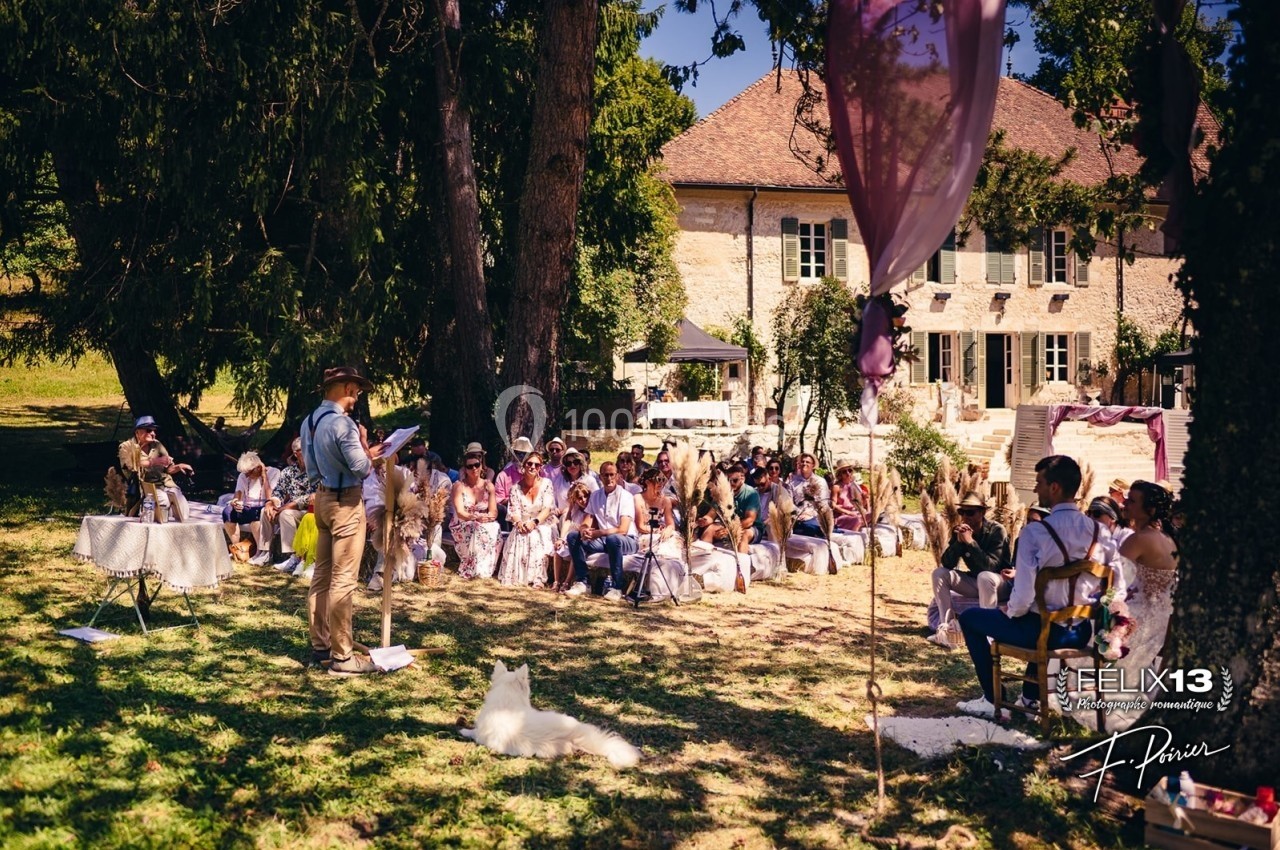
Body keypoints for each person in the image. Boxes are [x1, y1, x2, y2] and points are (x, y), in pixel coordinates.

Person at [956, 456, 1107, 717]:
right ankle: (1029, 698)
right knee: (1039, 616)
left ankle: (993, 699)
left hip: (1043, 633)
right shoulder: (1099, 531)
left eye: (1039, 483)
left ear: (1055, 487)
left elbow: (1024, 595)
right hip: (1081, 631)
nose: (1036, 489)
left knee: (971, 618)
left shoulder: (1035, 533)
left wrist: (1011, 611)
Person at [1058, 480, 1178, 731]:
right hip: (1160, 619)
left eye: (1132, 501)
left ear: (1150, 510)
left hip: (1137, 619)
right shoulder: (1166, 538)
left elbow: (1110, 581)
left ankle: (1051, 693)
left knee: (1074, 623)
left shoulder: (1139, 539)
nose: (1124, 503)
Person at [299, 366, 386, 676]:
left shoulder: (308, 421)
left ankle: (320, 646)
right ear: (347, 387)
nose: (358, 395)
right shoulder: (344, 425)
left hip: (321, 499)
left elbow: (309, 469)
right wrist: (369, 449)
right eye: (357, 389)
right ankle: (343, 657)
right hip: (346, 501)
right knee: (343, 581)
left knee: (321, 574)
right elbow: (362, 468)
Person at [929, 492, 1013, 645]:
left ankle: (988, 633)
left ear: (982, 513)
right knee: (939, 573)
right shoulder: (962, 531)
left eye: (970, 512)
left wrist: (970, 543)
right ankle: (947, 629)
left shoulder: (996, 531)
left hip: (1001, 583)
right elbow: (946, 563)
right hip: (977, 581)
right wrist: (958, 543)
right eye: (962, 512)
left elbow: (991, 566)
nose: (965, 516)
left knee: (985, 577)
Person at [566, 461, 637, 600]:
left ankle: (617, 587)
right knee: (573, 537)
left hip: (627, 540)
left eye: (612, 475)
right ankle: (583, 582)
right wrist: (584, 530)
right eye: (605, 475)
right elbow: (588, 518)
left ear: (617, 476)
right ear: (600, 477)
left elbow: (623, 530)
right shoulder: (595, 496)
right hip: (605, 540)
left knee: (613, 539)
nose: (609, 479)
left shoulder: (626, 496)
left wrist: (599, 533)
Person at [117, 415, 194, 522]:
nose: (153, 434)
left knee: (182, 508)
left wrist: (179, 466)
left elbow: (168, 469)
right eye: (149, 430)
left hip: (166, 483)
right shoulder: (126, 447)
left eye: (154, 431)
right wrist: (155, 461)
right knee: (163, 501)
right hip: (146, 488)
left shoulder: (157, 444)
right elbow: (132, 465)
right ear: (137, 432)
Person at [497, 452, 555, 587]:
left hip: (542, 522)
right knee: (519, 536)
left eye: (537, 464)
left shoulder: (546, 484)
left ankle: (537, 578)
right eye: (529, 463)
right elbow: (514, 511)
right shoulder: (515, 489)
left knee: (535, 536)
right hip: (522, 523)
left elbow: (547, 509)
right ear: (523, 466)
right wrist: (519, 523)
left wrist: (534, 523)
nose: (533, 467)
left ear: (540, 467)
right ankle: (519, 576)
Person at [266, 438, 317, 575]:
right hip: (290, 508)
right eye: (303, 450)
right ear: (295, 453)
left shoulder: (316, 470)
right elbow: (279, 491)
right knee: (264, 511)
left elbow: (314, 495)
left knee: (286, 514)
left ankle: (295, 556)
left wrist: (287, 506)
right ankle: (265, 553)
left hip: (309, 511)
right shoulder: (288, 472)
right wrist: (271, 503)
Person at [450, 450, 502, 579]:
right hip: (463, 522)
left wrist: (487, 517)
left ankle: (485, 568)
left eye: (476, 465)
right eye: (469, 466)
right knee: (474, 527)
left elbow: (493, 511)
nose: (474, 468)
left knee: (495, 527)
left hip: (484, 521)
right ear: (465, 469)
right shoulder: (458, 486)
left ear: (481, 466)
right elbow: (460, 512)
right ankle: (472, 567)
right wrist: (475, 517)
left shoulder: (488, 485)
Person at [223, 451, 281, 566]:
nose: (246, 475)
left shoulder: (274, 472)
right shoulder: (243, 475)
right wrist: (235, 502)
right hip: (247, 508)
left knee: (256, 515)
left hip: (264, 507)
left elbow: (271, 497)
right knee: (227, 512)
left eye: (249, 472)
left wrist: (264, 476)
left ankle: (260, 552)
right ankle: (237, 547)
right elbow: (238, 493)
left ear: (258, 468)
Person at [696, 463, 761, 553]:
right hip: (728, 526)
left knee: (744, 535)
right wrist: (703, 520)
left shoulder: (751, 493)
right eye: (728, 481)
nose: (731, 484)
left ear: (743, 478)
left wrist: (731, 529)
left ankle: (741, 565)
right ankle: (705, 560)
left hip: (750, 528)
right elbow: (711, 515)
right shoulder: (723, 492)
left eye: (734, 480)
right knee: (709, 529)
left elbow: (749, 520)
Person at [552, 481, 592, 592]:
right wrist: (561, 538)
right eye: (580, 498)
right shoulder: (574, 508)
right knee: (557, 549)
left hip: (583, 537)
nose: (583, 500)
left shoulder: (591, 509)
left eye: (585, 496)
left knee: (575, 551)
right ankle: (556, 581)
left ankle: (567, 581)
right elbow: (568, 521)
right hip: (572, 535)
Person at [634, 467, 678, 556]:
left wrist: (668, 530)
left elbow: (670, 524)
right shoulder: (638, 498)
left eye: (663, 480)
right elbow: (640, 526)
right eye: (658, 480)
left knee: (674, 540)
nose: (661, 483)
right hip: (644, 534)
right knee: (662, 543)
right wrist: (657, 530)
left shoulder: (665, 500)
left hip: (660, 532)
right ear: (647, 482)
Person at [786, 453, 829, 538]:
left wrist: (810, 514)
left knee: (811, 529)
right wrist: (798, 514)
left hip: (814, 517)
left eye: (807, 462)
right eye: (802, 461)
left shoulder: (820, 481)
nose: (804, 464)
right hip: (797, 517)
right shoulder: (792, 482)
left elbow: (823, 503)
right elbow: (789, 501)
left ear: (813, 465)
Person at [831, 461, 868, 532]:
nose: (848, 473)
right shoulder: (836, 487)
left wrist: (864, 498)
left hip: (855, 512)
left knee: (873, 515)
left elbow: (861, 505)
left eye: (849, 470)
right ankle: (854, 536)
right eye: (844, 472)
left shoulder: (854, 485)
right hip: (842, 515)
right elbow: (833, 505)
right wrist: (848, 512)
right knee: (857, 519)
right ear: (840, 474)